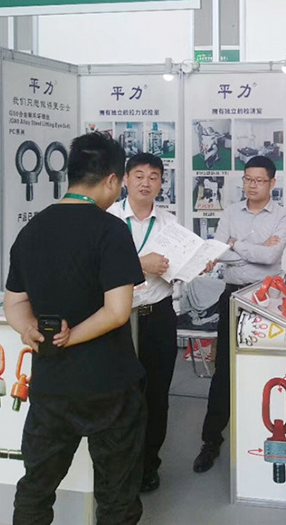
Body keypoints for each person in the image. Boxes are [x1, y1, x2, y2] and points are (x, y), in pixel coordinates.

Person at [4, 133, 146, 525]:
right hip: (109, 384)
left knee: (35, 488)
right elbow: (117, 312)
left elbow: (14, 304)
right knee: (116, 496)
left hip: (52, 384)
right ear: (112, 180)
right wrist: (72, 336)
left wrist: (30, 331)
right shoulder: (111, 230)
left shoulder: (32, 229)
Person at [193, 155, 286, 473]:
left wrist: (236, 244)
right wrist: (249, 249)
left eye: (259, 180)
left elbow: (271, 256)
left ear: (272, 183)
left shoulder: (283, 216)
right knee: (224, 369)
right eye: (248, 179)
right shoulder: (230, 212)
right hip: (232, 296)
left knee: (266, 367)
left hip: (266, 300)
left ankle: (263, 433)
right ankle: (211, 440)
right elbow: (217, 251)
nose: (252, 185)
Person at [107, 152, 178, 493]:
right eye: (138, 175)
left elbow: (177, 268)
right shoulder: (107, 219)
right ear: (124, 180)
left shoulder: (170, 223)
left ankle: (149, 464)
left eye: (153, 177)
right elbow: (96, 268)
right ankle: (120, 466)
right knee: (119, 394)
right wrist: (141, 264)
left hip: (158, 315)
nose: (145, 183)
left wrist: (196, 264)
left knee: (157, 395)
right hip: (116, 318)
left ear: (161, 183)